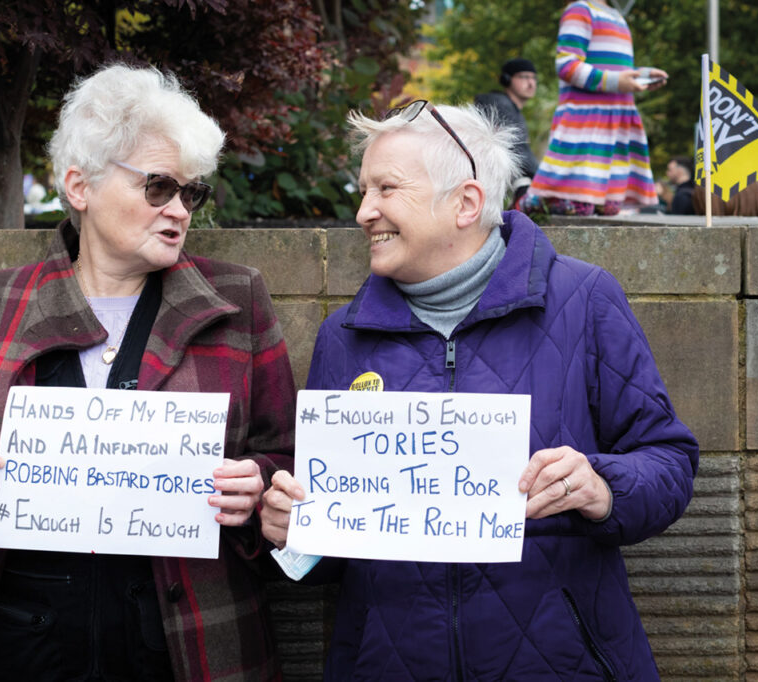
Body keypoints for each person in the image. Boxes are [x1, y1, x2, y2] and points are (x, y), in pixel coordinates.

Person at [261, 101, 698, 679]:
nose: (364, 211)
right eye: (363, 190)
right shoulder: (342, 336)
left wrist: (603, 487)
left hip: (562, 665)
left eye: (386, 189)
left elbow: (670, 462)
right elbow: (334, 546)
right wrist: (295, 535)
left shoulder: (584, 298)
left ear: (466, 203)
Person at [0, 64, 296, 681]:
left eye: (190, 193)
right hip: (23, 641)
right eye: (158, 187)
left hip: (191, 639)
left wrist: (257, 490)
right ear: (79, 185)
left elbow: (286, 459)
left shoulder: (237, 300)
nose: (179, 210)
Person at [525, 0, 668, 216]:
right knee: (577, 204)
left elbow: (615, 68)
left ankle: (543, 200)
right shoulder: (581, 10)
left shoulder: (616, 16)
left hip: (615, 119)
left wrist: (641, 76)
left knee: (609, 206)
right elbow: (567, 65)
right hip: (588, 120)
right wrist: (616, 81)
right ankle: (537, 200)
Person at [474, 58, 539, 204]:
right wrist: (542, 178)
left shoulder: (511, 109)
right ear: (506, 79)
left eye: (533, 78)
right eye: (524, 77)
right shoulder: (498, 104)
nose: (531, 83)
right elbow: (517, 147)